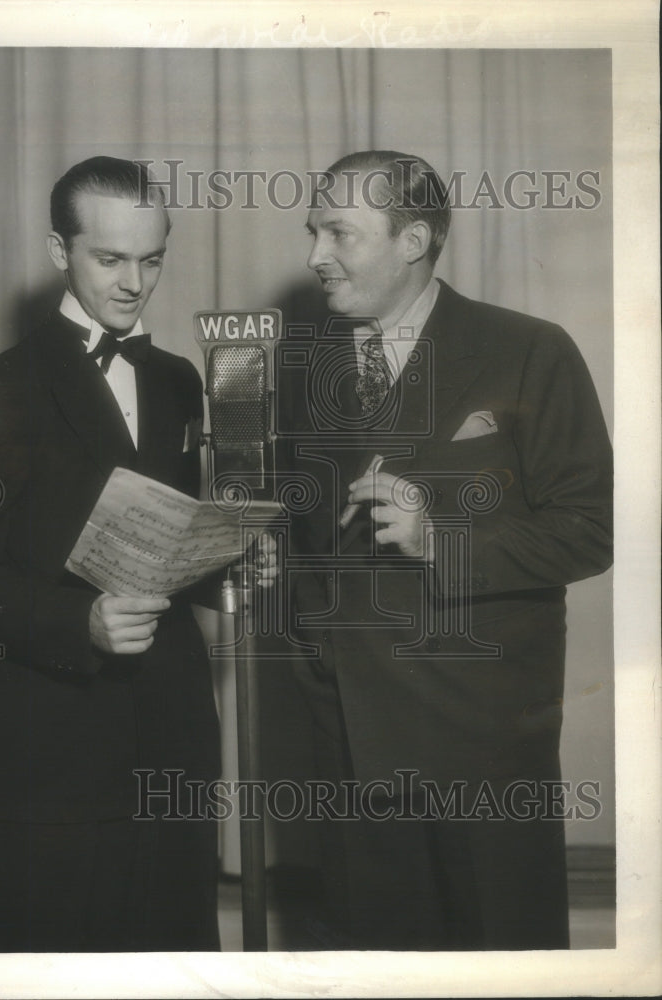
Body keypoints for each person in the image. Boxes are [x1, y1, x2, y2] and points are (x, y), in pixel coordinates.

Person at [0, 156, 274, 952]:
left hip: (174, 741)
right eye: (109, 258)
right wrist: (77, 621)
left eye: (151, 260)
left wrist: (236, 553)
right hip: (51, 754)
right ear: (60, 251)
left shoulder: (181, 382)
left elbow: (175, 536)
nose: (134, 283)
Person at [278, 150, 612, 950]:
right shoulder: (298, 366)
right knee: (376, 962)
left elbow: (589, 529)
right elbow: (301, 535)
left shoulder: (530, 349)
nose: (315, 256)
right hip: (350, 745)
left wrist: (441, 540)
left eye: (338, 233)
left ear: (412, 238)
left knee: (502, 958)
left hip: (485, 749)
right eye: (312, 231)